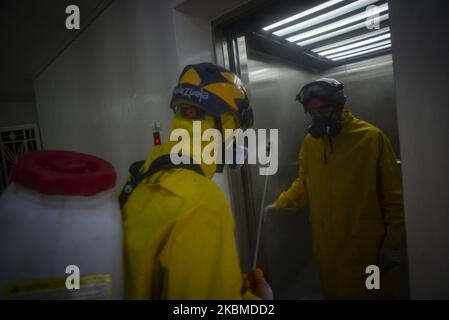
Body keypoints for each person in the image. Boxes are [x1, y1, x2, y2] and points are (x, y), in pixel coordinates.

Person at [121, 62, 271, 299]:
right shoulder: (202, 203)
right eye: (237, 131)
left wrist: (232, 285)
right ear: (225, 125)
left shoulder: (139, 176)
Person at [265, 78, 405, 299]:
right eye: (312, 113)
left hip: (367, 251)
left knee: (374, 293)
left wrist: (392, 244)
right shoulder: (311, 143)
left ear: (338, 106)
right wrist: (281, 203)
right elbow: (304, 182)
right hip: (327, 250)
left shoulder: (371, 139)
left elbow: (394, 198)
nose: (317, 118)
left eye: (323, 111)